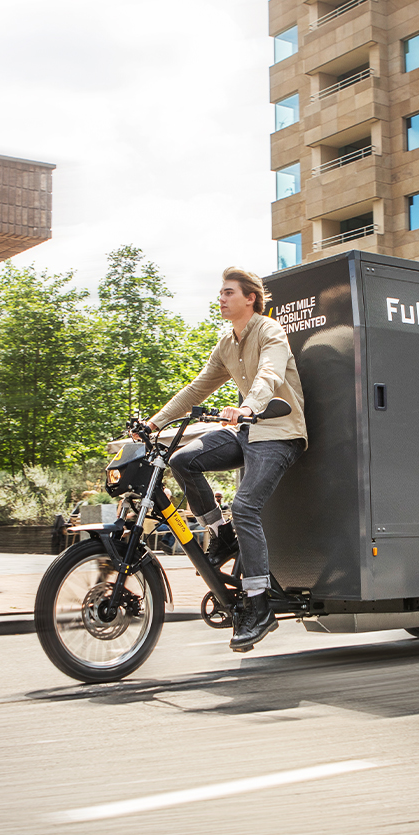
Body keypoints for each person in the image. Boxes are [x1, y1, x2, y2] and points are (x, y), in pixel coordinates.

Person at [141, 267, 307, 653]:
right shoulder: (226, 343)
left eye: (229, 292)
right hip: (247, 431)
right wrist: (154, 422)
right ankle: (222, 534)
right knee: (183, 461)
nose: (221, 298)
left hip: (278, 432)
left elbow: (268, 375)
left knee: (245, 506)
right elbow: (197, 388)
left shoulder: (270, 331)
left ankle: (259, 605)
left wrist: (247, 406)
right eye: (220, 293)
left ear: (250, 298)